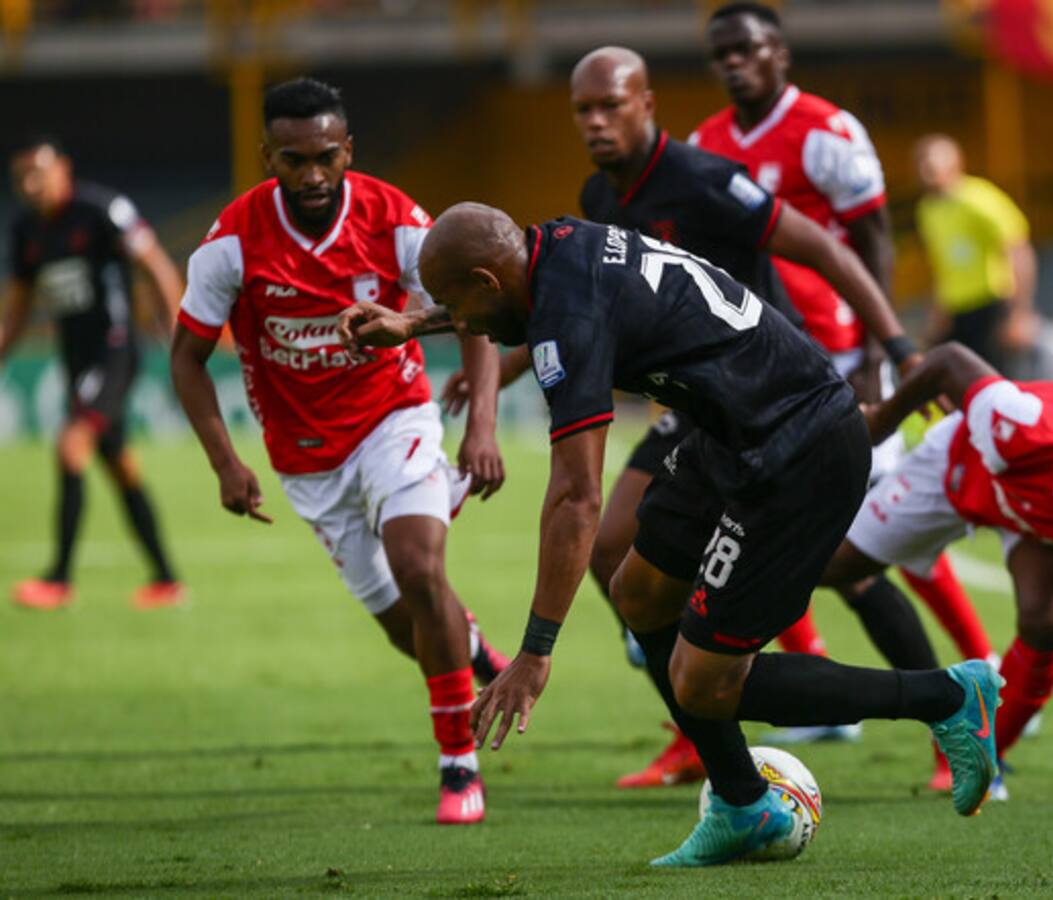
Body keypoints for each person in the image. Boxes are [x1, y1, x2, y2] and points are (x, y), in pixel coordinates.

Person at [340, 204, 1004, 867]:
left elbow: (576, 495)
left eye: (456, 309)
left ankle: (947, 695)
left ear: (486, 279)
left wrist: (536, 651)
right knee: (641, 594)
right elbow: (512, 303)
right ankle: (744, 805)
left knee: (703, 683)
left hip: (798, 452)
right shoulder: (557, 242)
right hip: (733, 433)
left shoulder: (566, 325)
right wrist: (412, 324)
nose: (461, 327)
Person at [445, 45, 945, 789]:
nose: (595, 122)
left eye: (610, 105)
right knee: (629, 572)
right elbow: (557, 315)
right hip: (710, 414)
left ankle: (942, 702)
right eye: (582, 109)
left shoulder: (704, 179)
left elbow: (824, 249)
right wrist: (432, 331)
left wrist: (895, 345)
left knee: (849, 570)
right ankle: (707, 741)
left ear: (648, 103)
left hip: (777, 401)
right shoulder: (587, 210)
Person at [169, 78, 508, 825]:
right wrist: (226, 463)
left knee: (420, 567)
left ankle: (459, 767)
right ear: (268, 158)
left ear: (348, 150)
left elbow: (475, 311)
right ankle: (474, 648)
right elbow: (187, 358)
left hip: (396, 417)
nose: (314, 174)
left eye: (327, 156)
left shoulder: (395, 218)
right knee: (404, 624)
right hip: (306, 457)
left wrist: (482, 422)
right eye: (294, 160)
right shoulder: (231, 242)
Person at [690, 2, 992, 753]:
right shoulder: (705, 144)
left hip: (837, 368)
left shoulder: (826, 132)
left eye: (749, 48)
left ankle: (972, 681)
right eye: (722, 52)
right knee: (774, 534)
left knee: (872, 548)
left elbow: (871, 238)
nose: (735, 62)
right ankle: (827, 684)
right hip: (756, 371)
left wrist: (875, 351)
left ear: (780, 54)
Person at [822, 341, 1053, 798]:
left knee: (1045, 623)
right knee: (835, 567)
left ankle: (984, 758)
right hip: (959, 470)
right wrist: (883, 418)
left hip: (1039, 526)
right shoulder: (1017, 424)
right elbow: (950, 361)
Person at [0, 135, 185, 610]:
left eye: (38, 172)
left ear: (63, 168)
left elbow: (157, 265)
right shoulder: (26, 233)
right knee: (118, 463)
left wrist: (183, 332)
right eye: (21, 176)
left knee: (71, 445)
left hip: (115, 351)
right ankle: (166, 580)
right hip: (78, 362)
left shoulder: (101, 210)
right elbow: (17, 310)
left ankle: (58, 580)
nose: (30, 183)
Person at [914, 134, 1038, 372]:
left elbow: (1018, 250)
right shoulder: (927, 210)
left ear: (955, 163)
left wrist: (1020, 313)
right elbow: (941, 266)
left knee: (994, 381)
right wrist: (937, 313)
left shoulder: (980, 199)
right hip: (957, 310)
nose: (925, 171)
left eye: (931, 164)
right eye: (921, 164)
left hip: (990, 304)